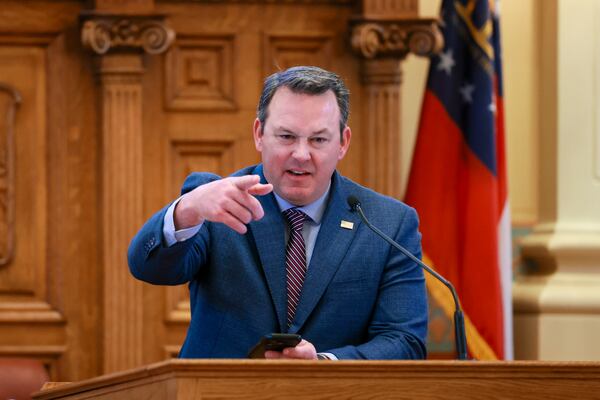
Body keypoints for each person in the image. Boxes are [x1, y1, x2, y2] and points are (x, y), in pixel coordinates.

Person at [128, 66, 428, 360]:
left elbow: (404, 341)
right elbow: (147, 267)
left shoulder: (387, 224)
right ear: (259, 134)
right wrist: (188, 209)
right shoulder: (217, 202)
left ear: (343, 143)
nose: (301, 154)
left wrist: (325, 364)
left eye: (318, 140)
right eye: (286, 136)